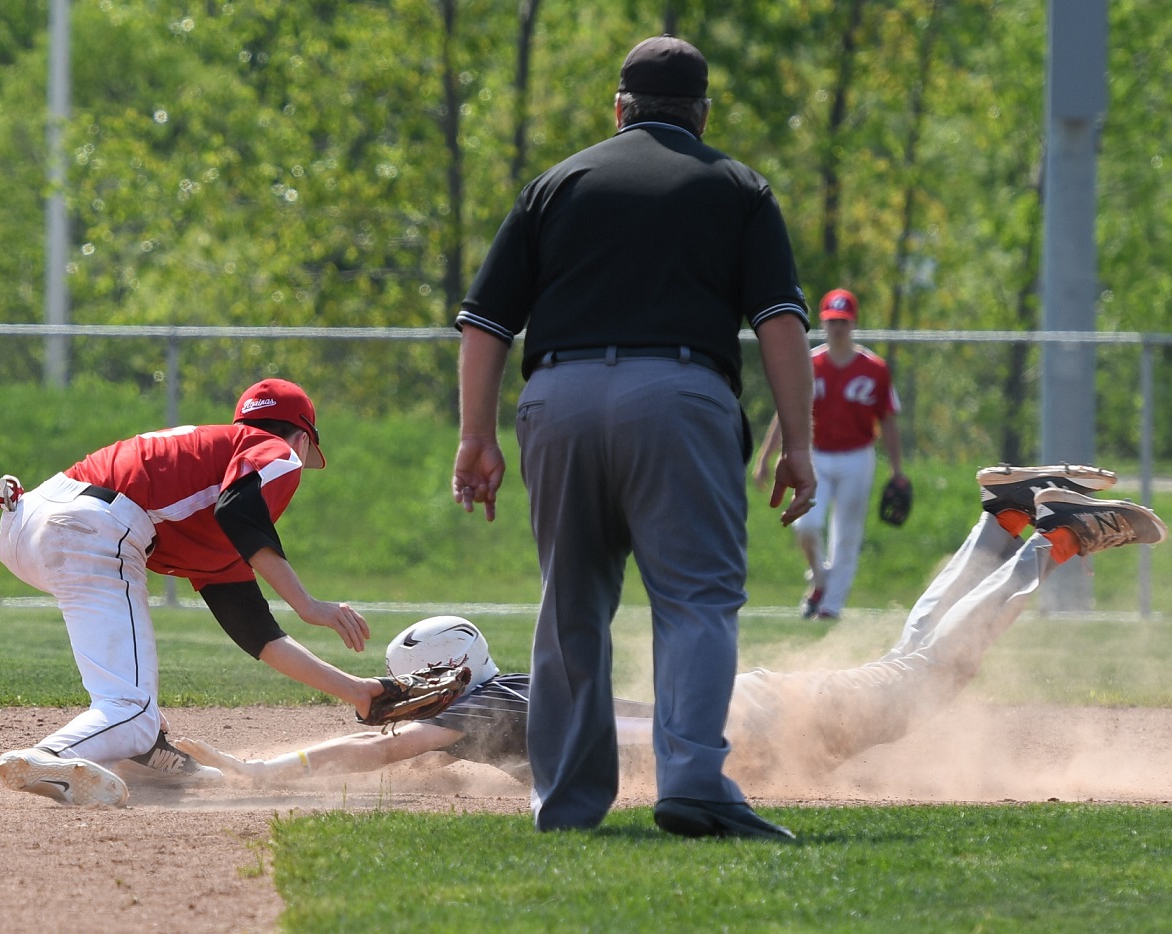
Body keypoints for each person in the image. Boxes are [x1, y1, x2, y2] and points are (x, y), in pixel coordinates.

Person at [178, 465, 1166, 799]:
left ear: (444, 683)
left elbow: (385, 751)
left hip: (764, 723)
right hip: (747, 703)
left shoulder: (479, 714)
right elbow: (422, 756)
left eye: (419, 691)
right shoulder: (510, 693)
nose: (418, 710)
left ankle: (1050, 541)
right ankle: (996, 522)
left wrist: (261, 772)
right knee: (907, 664)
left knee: (925, 673)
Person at [450, 35, 818, 840]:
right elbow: (782, 324)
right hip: (679, 398)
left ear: (619, 109)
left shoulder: (556, 184)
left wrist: (475, 436)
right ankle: (693, 784)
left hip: (558, 398)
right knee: (694, 601)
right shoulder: (737, 186)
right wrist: (799, 442)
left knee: (572, 603)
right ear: (702, 113)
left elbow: (484, 325)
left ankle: (569, 803)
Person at [0, 378, 392, 808]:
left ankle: (142, 754)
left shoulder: (205, 475)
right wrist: (308, 605)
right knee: (130, 708)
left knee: (134, 709)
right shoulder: (274, 449)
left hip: (30, 523)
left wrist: (357, 691)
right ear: (303, 439)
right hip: (89, 526)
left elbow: (255, 630)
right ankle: (48, 758)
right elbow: (239, 509)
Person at [752, 287, 908, 621]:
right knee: (805, 526)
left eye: (843, 321)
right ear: (823, 323)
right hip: (816, 456)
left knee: (846, 537)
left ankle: (831, 607)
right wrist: (766, 456)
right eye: (832, 320)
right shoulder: (809, 364)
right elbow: (785, 412)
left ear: (853, 324)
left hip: (857, 456)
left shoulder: (874, 369)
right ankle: (820, 580)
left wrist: (897, 469)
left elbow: (889, 421)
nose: (838, 327)